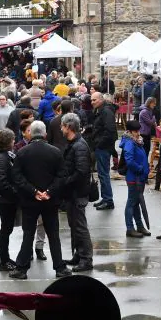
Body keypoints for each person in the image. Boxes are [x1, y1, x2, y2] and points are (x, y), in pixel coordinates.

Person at [8, 120, 70, 280]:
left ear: (31, 133)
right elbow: (62, 175)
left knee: (28, 234)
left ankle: (21, 268)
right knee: (53, 234)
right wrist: (49, 192)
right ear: (45, 134)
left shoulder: (22, 153)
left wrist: (33, 191)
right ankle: (59, 267)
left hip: (30, 201)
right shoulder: (55, 152)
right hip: (50, 201)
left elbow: (17, 177)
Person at [59, 112, 93, 271]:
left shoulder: (79, 145)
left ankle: (86, 259)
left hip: (77, 192)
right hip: (73, 192)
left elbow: (81, 171)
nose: (61, 129)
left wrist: (65, 182)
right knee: (74, 225)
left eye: (62, 126)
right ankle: (78, 255)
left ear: (69, 127)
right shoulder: (74, 143)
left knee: (80, 226)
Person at [0, 129, 18, 271]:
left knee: (6, 229)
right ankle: (3, 261)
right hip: (5, 200)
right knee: (6, 230)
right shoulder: (1, 158)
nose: (14, 142)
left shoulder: (3, 155)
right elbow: (2, 182)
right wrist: (15, 194)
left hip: (4, 198)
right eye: (12, 140)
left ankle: (5, 258)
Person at [120, 120, 151, 238]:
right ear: (129, 131)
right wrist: (140, 169)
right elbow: (129, 161)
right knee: (132, 202)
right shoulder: (129, 143)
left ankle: (139, 226)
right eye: (135, 131)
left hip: (139, 177)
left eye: (139, 130)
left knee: (136, 202)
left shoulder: (136, 142)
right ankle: (130, 228)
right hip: (134, 178)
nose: (138, 133)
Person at [91, 91, 117, 210]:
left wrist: (99, 143)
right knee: (102, 174)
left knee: (104, 174)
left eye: (94, 100)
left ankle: (108, 200)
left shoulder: (106, 111)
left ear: (101, 99)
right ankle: (106, 198)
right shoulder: (101, 110)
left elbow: (110, 131)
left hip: (104, 147)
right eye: (91, 100)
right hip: (102, 146)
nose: (92, 102)